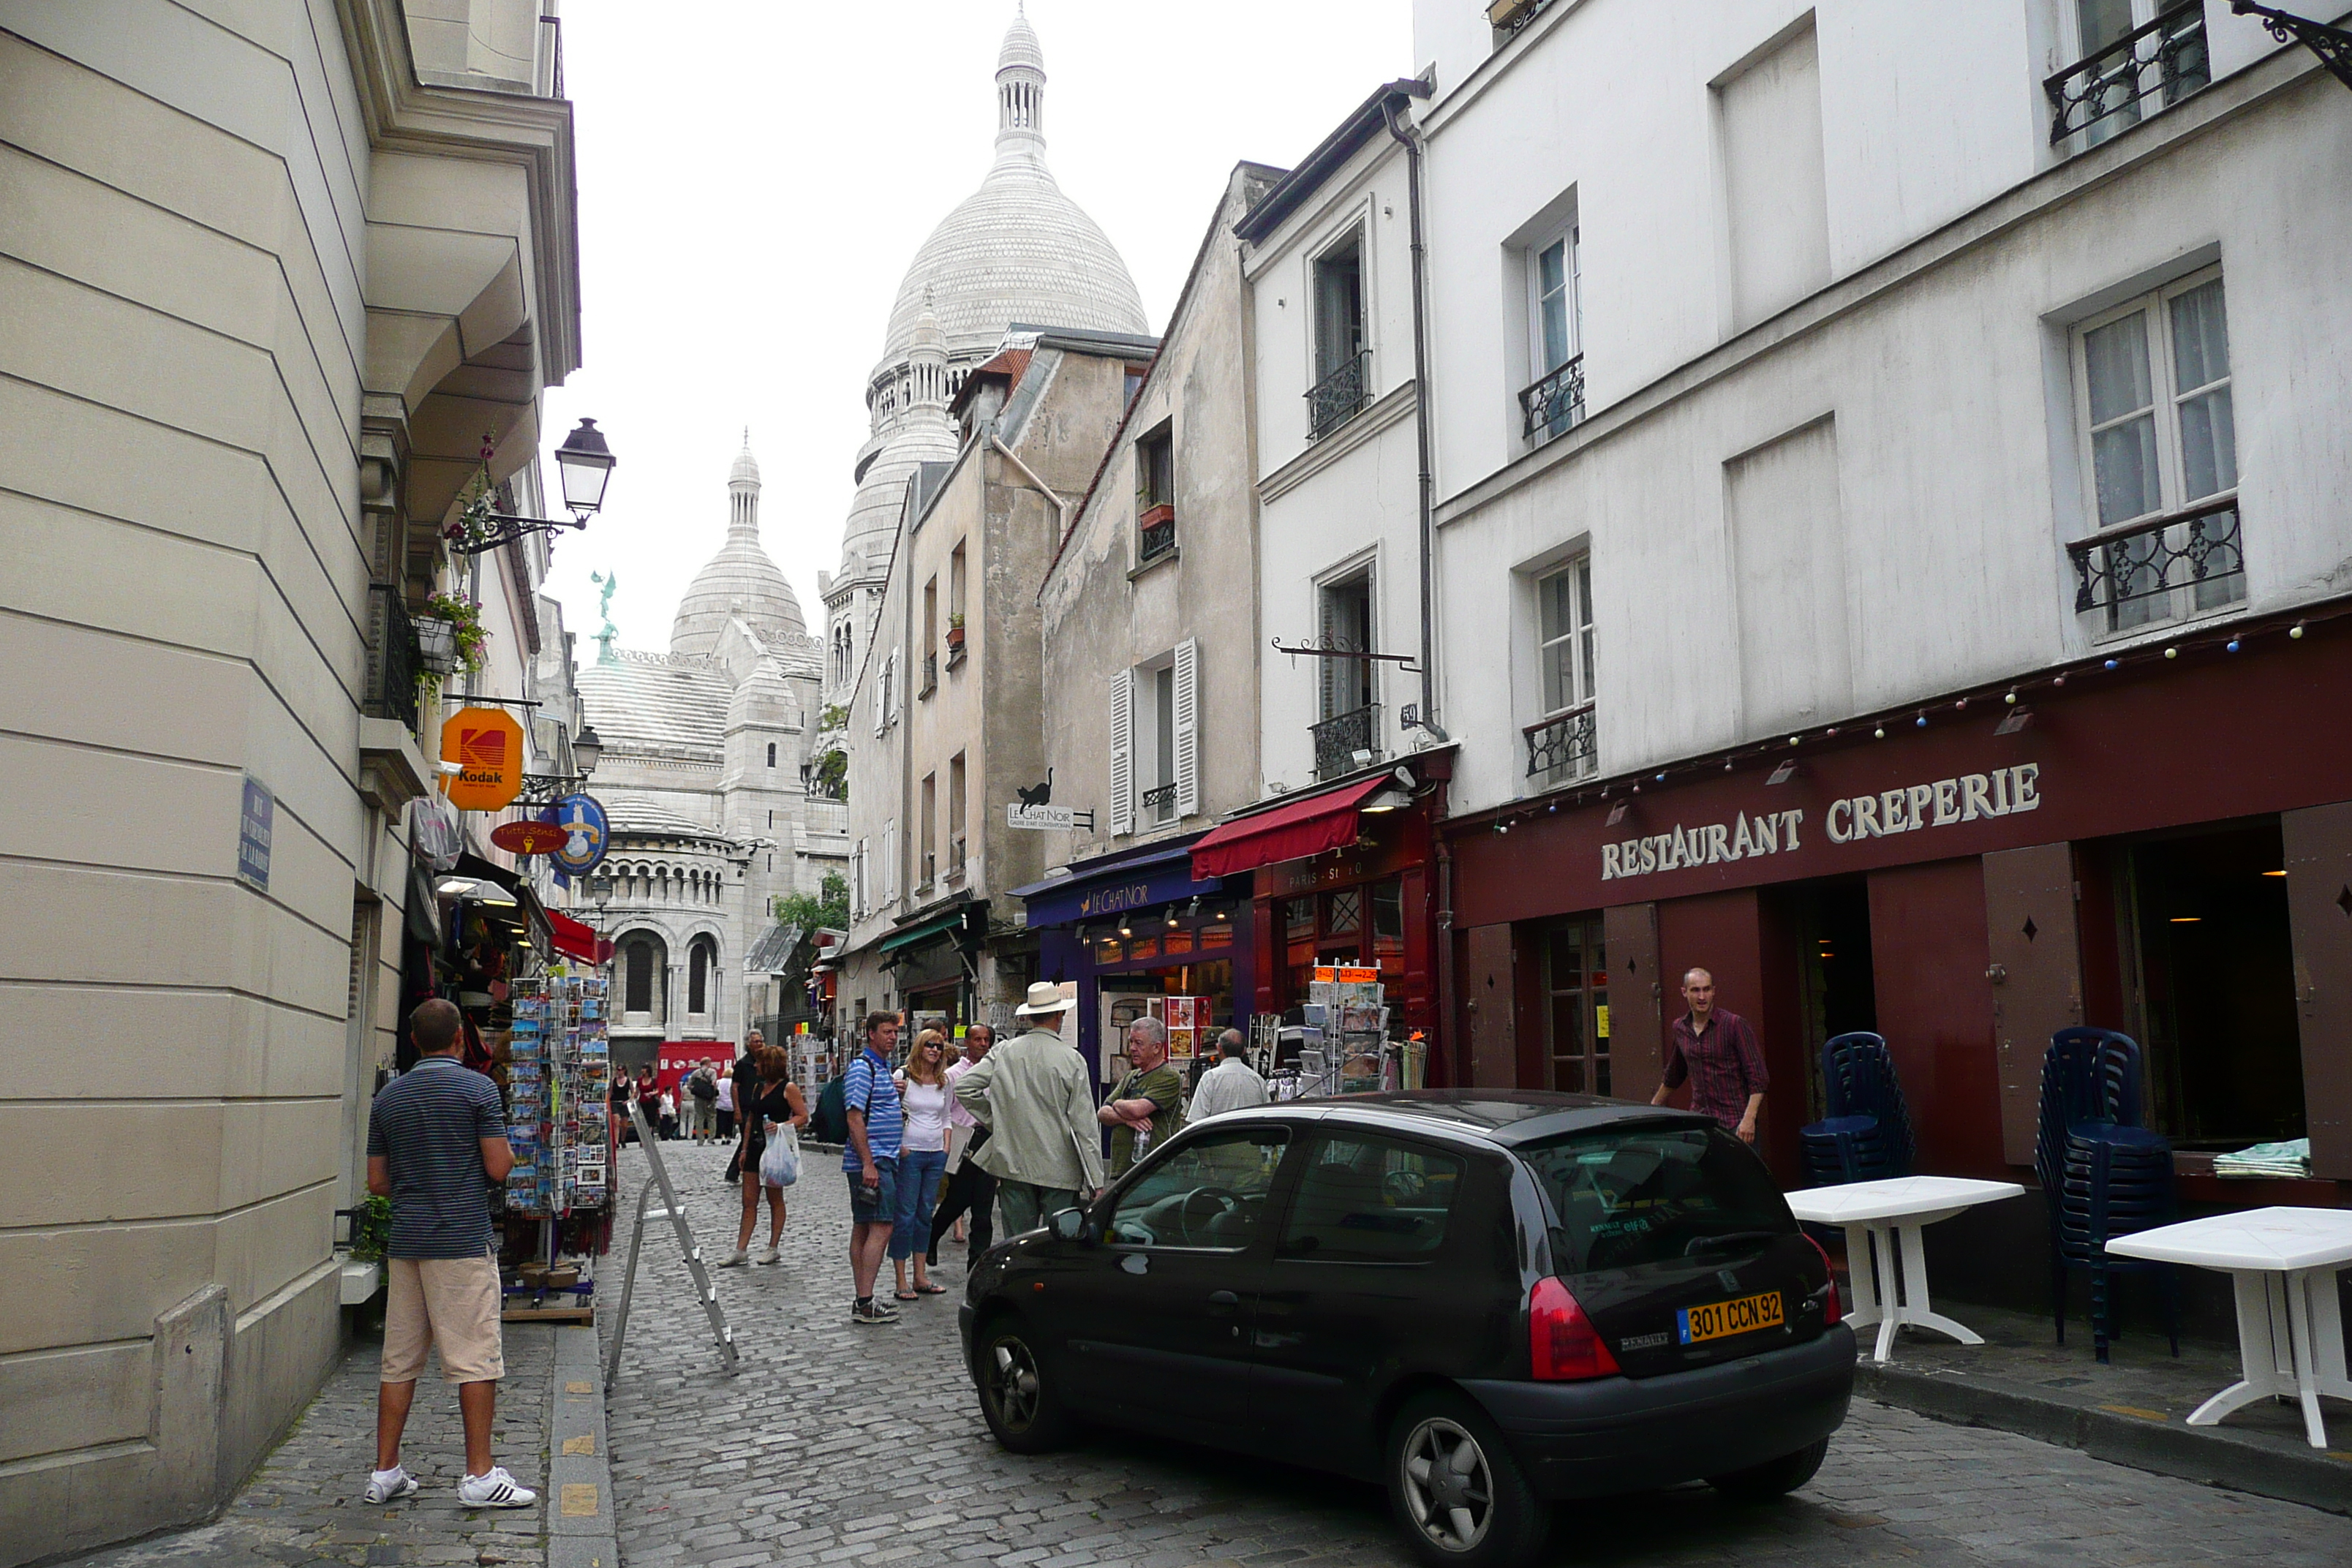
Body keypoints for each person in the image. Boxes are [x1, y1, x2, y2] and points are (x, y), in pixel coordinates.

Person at [361, 998, 535, 1509]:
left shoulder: (388, 1099)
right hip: (460, 1238)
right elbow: (499, 1166)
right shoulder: (478, 1089)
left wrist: (417, 1185)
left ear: (414, 1041)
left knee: (399, 1361)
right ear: (461, 1038)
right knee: (476, 1357)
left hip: (408, 1241)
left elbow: (377, 1181)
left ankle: (385, 1470)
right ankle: (480, 1474)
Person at [953, 983, 1103, 1236]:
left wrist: (998, 1121)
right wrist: (1096, 1181)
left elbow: (965, 1087)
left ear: (1030, 1017)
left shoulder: (1004, 1051)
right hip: (1060, 1168)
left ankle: (1022, 1277)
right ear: (1059, 1016)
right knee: (1057, 1245)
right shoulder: (1072, 1059)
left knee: (1019, 1242)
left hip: (1014, 1162)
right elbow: (1084, 1125)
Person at [1651, 967, 1769, 1145]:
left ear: (1714, 991)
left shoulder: (1733, 1025)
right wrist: (1653, 1107)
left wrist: (1749, 1120)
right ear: (1684, 992)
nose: (1702, 997)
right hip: (1701, 1122)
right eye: (1695, 990)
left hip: (1735, 1123)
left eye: (1706, 989)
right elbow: (1675, 1073)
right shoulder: (1681, 1028)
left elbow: (1759, 1078)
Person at [720, 1044, 807, 1267]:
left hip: (774, 1148)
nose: (755, 1066)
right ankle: (741, 1249)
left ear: (769, 1065)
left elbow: (802, 1116)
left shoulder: (788, 1088)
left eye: (759, 1062)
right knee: (749, 1201)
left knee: (774, 1199)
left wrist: (782, 1125)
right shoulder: (758, 1087)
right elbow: (751, 1119)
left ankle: (773, 1247)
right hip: (756, 1147)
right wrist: (745, 1148)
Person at [843, 1012, 905, 1324]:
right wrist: (868, 1162)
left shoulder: (882, 1069)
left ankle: (863, 1297)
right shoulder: (862, 1068)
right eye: (886, 1032)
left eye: (895, 1032)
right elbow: (854, 1116)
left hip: (884, 1158)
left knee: (865, 1226)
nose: (892, 1037)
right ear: (870, 1034)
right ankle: (865, 1301)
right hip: (873, 1161)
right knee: (881, 1226)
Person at [890, 1030, 953, 1301]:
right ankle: (901, 1279)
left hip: (935, 1153)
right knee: (905, 1214)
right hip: (910, 1153)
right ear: (919, 1046)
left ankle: (920, 1276)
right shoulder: (902, 1077)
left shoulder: (943, 1080)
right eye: (930, 1045)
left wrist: (946, 1147)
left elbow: (946, 1115)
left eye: (939, 1046)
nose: (935, 1050)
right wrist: (899, 1146)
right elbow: (890, 1112)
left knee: (926, 1214)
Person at [927, 1023, 997, 1271]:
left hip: (988, 1139)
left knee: (983, 1207)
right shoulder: (954, 1075)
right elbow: (945, 1111)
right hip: (964, 1141)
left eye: (986, 1040)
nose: (982, 1044)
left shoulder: (995, 1073)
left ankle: (976, 1262)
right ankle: (931, 1237)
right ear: (967, 1042)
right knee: (957, 1201)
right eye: (977, 1039)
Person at [1099, 1017, 1186, 1178]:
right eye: (1131, 1042)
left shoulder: (1169, 1077)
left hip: (1153, 1172)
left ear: (1156, 1047)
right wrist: (1126, 1120)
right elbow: (1102, 1113)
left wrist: (1117, 1104)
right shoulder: (1130, 1077)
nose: (1132, 1048)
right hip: (1123, 1170)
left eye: (1139, 1043)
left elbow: (1139, 1110)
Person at [1188, 1028, 1270, 1121]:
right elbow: (1266, 1116)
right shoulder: (1257, 1080)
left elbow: (1196, 1118)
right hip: (1250, 1135)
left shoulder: (1210, 1078)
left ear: (1219, 1048)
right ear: (1244, 1051)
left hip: (1218, 1134)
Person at [687, 1060, 720, 1144]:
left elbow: (689, 1085)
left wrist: (696, 1090)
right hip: (709, 1099)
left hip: (698, 1098)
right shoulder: (712, 1072)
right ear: (708, 1063)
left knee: (699, 1118)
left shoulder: (695, 1073)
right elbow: (713, 1083)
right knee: (711, 1117)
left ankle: (700, 1140)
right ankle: (711, 1139)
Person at [714, 1057, 736, 1143]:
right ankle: (729, 1136)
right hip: (731, 1105)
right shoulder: (733, 1082)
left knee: (721, 1121)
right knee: (730, 1122)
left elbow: (716, 1092)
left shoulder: (719, 1081)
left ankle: (722, 1136)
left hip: (721, 1104)